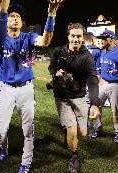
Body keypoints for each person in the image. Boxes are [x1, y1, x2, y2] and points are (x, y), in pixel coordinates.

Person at [0, 0, 69, 173]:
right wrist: (2, 10)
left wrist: (51, 14)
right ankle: (4, 146)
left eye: (17, 16)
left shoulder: (28, 37)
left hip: (26, 89)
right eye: (11, 16)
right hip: (6, 89)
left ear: (21, 21)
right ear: (6, 20)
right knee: (0, 132)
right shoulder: (0, 38)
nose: (15, 18)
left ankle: (26, 162)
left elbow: (45, 41)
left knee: (27, 129)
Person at [48, 23, 101, 173]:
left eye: (79, 36)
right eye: (73, 36)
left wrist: (95, 104)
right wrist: (55, 73)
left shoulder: (87, 57)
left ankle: (68, 130)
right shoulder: (59, 51)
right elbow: (51, 67)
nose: (76, 39)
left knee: (82, 133)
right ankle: (74, 156)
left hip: (79, 96)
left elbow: (92, 80)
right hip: (61, 96)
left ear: (83, 38)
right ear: (68, 36)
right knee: (72, 131)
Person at [88, 29, 118, 142]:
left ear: (111, 39)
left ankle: (117, 132)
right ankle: (98, 128)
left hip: (115, 84)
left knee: (115, 110)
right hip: (103, 83)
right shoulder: (102, 52)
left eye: (104, 39)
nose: (102, 41)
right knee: (95, 106)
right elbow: (100, 70)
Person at [83, 32, 101, 129]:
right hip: (93, 79)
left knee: (85, 102)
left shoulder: (81, 50)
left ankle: (86, 123)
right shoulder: (97, 51)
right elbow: (98, 68)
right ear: (92, 39)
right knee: (94, 101)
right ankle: (96, 125)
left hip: (83, 79)